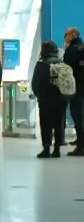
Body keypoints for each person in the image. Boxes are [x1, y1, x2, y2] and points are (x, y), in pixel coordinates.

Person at [31, 40, 71, 158]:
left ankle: (46, 148)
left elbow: (35, 83)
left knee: (45, 124)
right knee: (59, 124)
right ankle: (57, 149)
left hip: (45, 100)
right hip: (61, 99)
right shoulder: (62, 63)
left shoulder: (41, 64)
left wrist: (38, 95)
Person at [63, 27, 84, 156]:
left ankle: (81, 147)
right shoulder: (82, 47)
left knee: (78, 116)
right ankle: (80, 141)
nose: (65, 37)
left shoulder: (71, 50)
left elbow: (66, 69)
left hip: (76, 88)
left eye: (66, 35)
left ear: (72, 35)